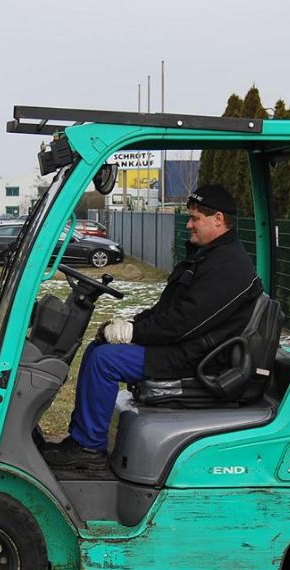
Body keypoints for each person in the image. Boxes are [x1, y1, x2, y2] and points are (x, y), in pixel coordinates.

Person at [45, 185, 263, 468]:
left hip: (198, 358)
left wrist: (134, 333)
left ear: (218, 219)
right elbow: (168, 311)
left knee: (104, 361)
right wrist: (132, 324)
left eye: (195, 218)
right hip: (186, 346)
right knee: (99, 347)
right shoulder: (208, 257)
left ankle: (88, 447)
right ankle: (81, 438)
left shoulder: (228, 266)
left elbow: (184, 323)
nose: (189, 224)